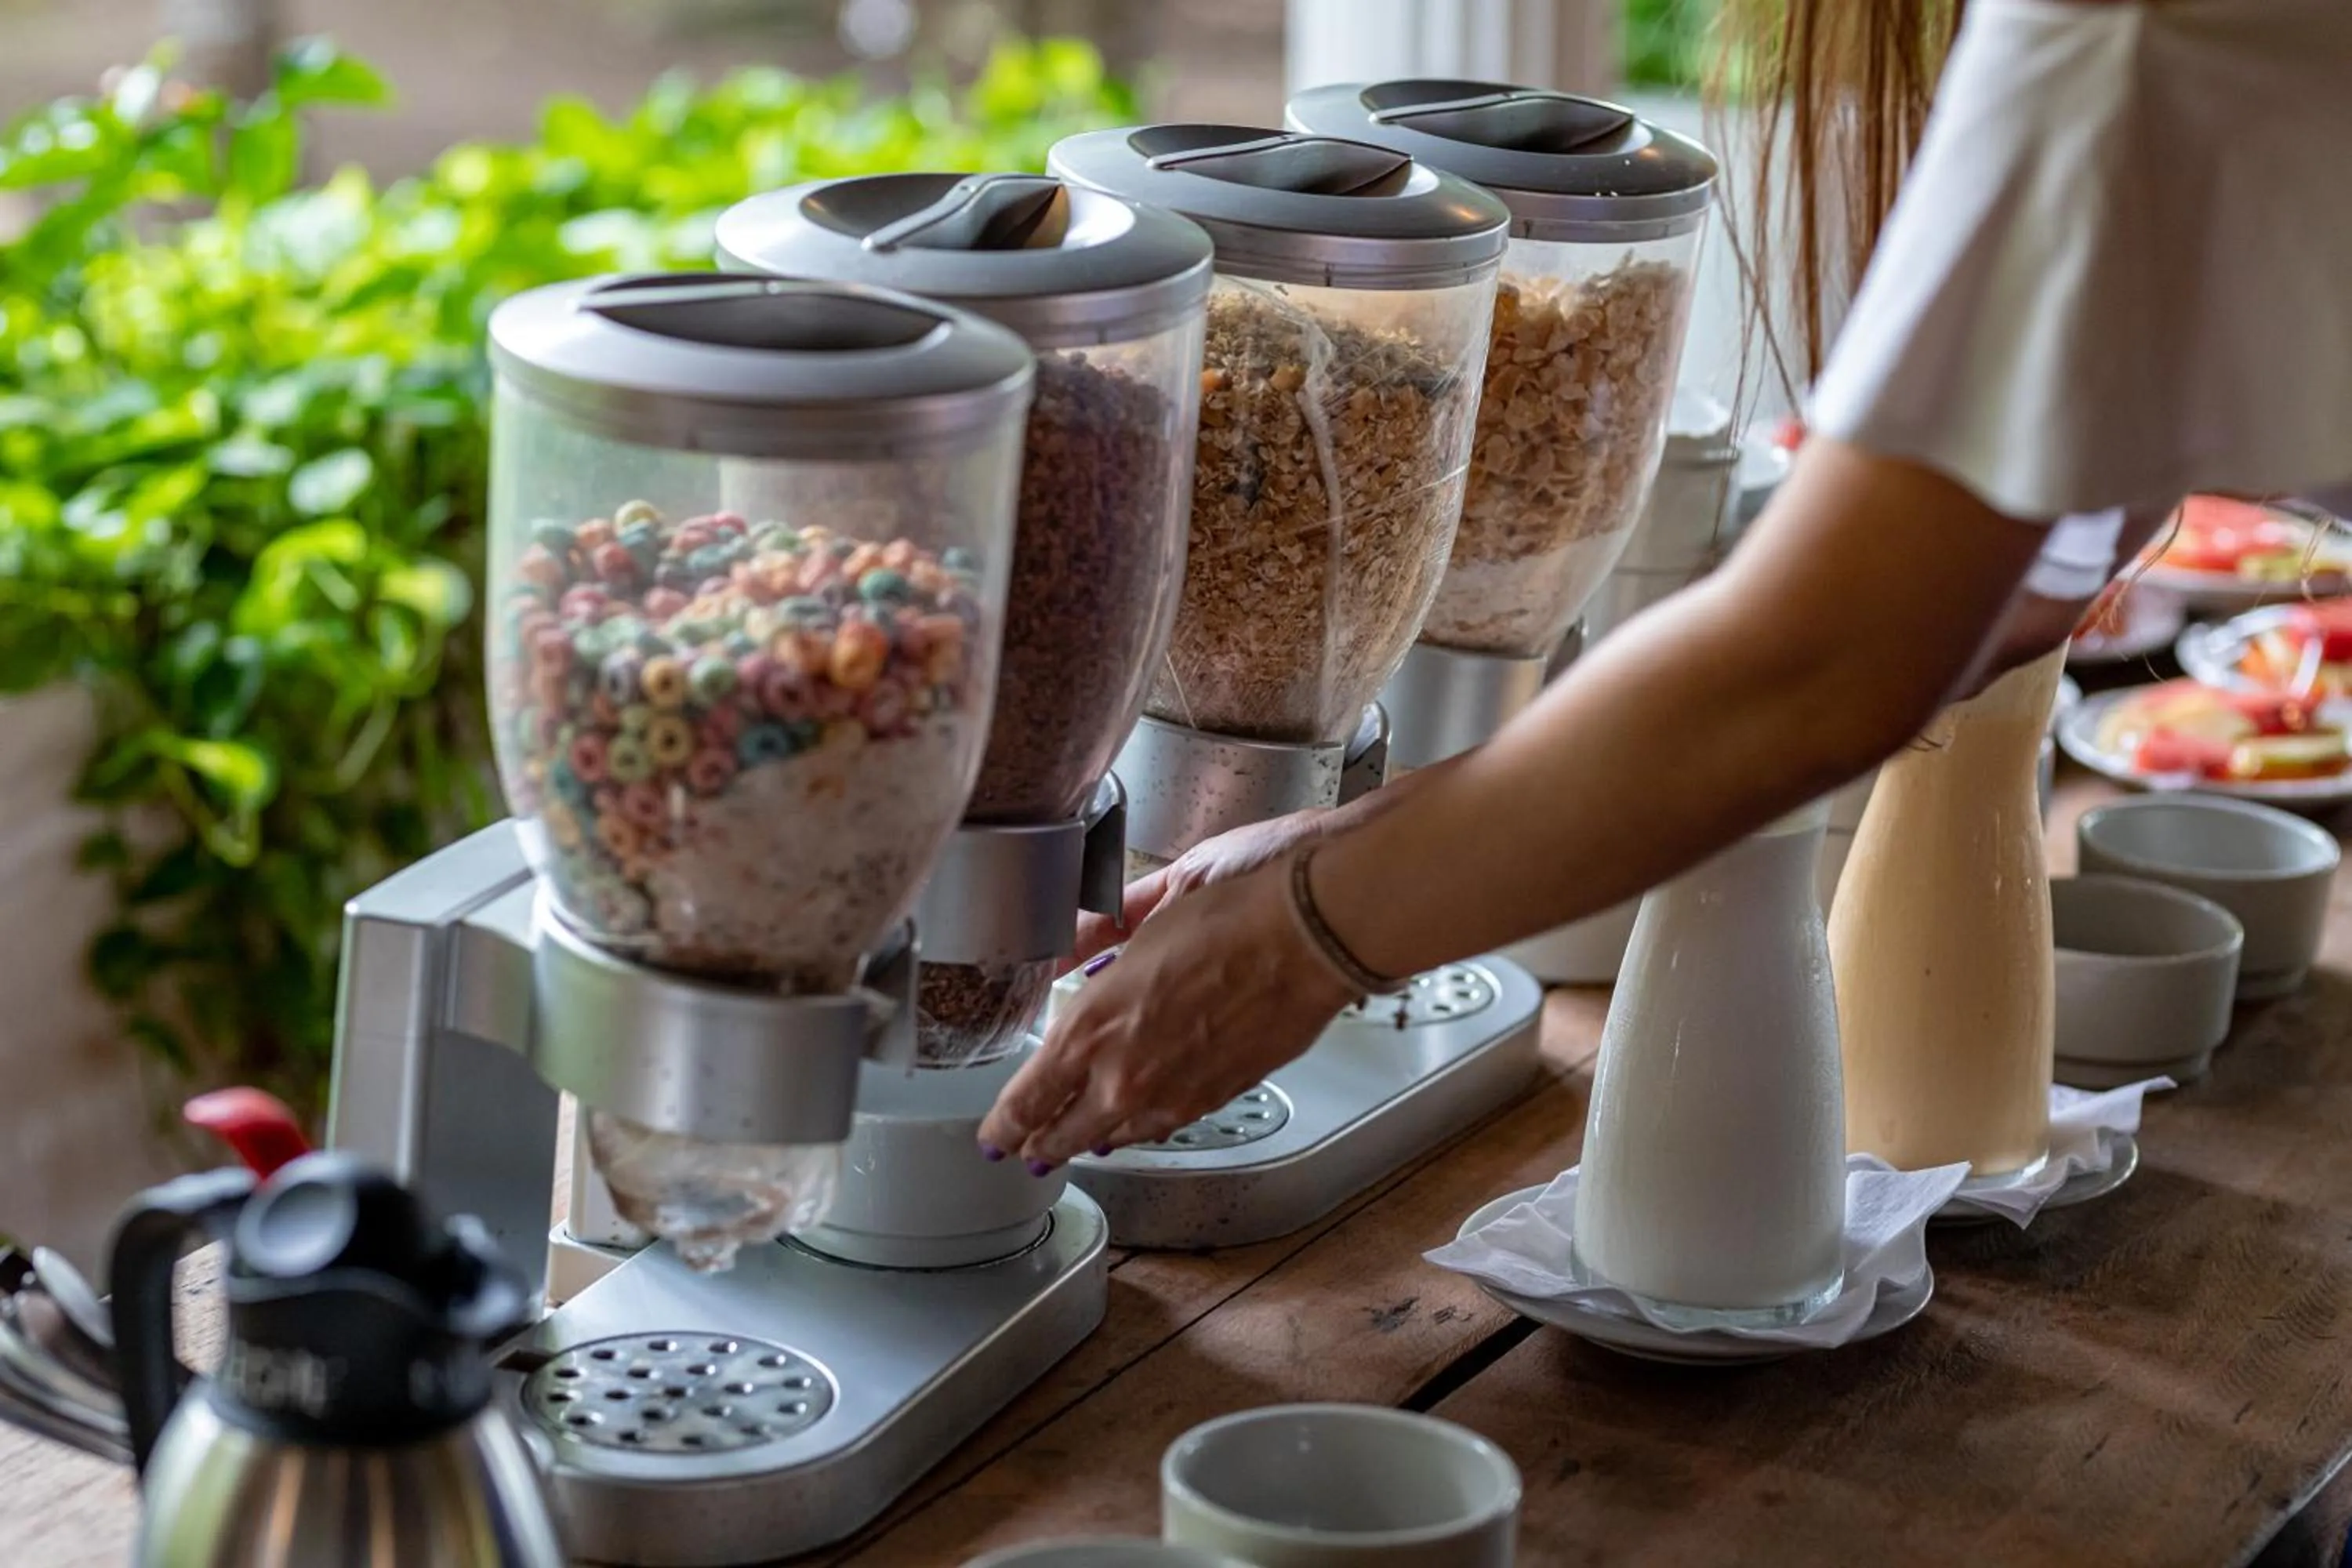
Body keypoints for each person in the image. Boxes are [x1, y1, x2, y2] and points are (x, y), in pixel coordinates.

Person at [978, 0, 2352, 1169]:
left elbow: (1838, 657)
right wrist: (1344, 852)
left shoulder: (2128, 31)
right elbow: (2017, 577)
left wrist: (1307, 934)